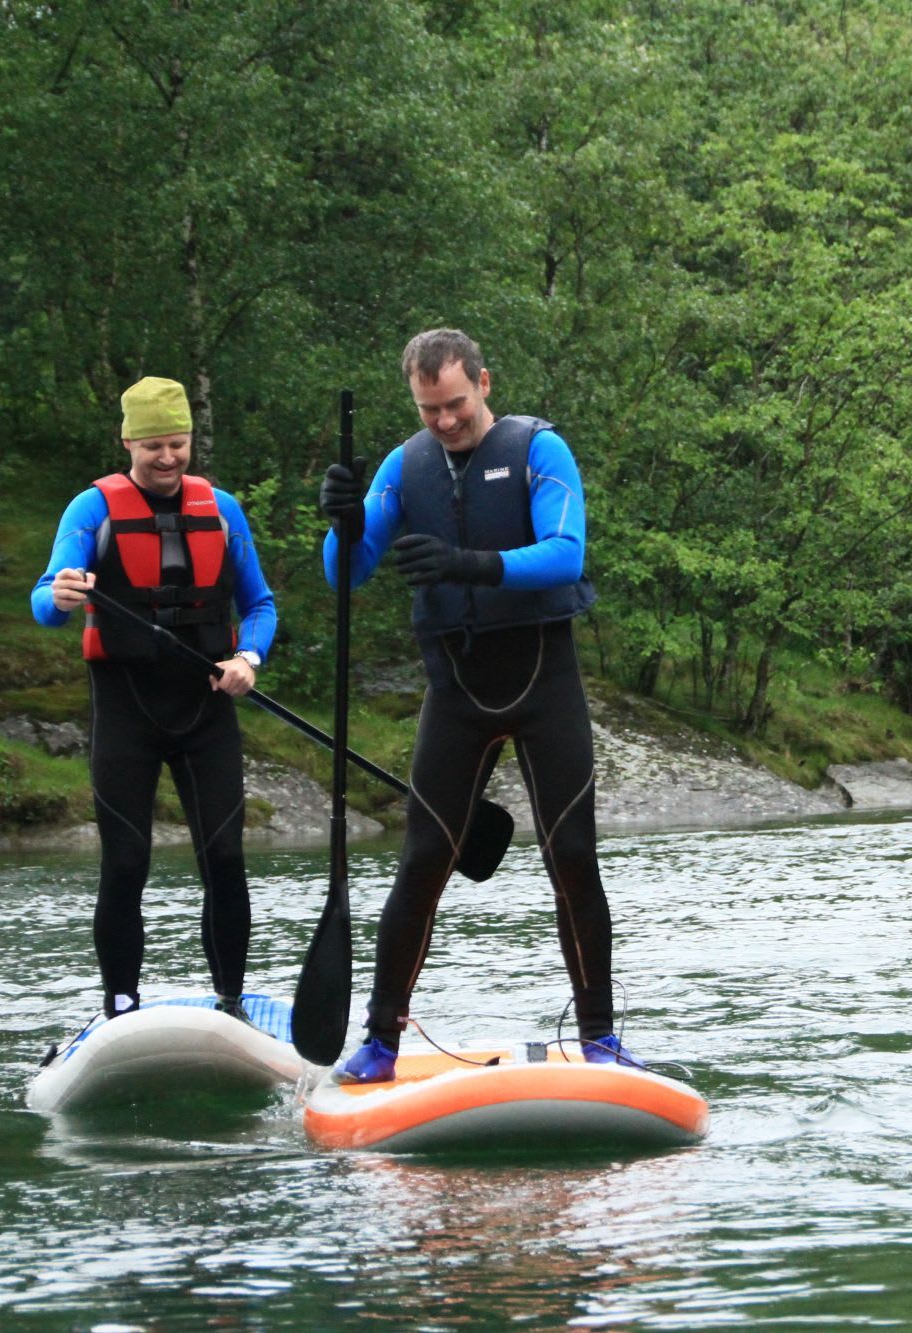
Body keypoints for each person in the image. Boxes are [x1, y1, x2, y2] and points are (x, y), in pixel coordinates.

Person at [317, 328, 636, 1082]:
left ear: (484, 383)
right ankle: (381, 1041)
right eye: (429, 409)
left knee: (574, 859)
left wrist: (469, 563)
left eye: (456, 404)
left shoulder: (538, 451)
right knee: (423, 859)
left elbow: (567, 551)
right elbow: (345, 574)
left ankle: (600, 1038)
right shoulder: (404, 466)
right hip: (456, 691)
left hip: (542, 681)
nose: (445, 422)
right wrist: (343, 520)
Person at [30, 376, 278, 1022]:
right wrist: (59, 595)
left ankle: (231, 998)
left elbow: (260, 605)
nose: (168, 459)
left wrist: (247, 657)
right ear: (127, 443)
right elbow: (46, 596)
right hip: (127, 709)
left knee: (224, 856)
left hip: (206, 706)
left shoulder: (222, 509)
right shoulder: (93, 510)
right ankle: (121, 1002)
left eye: (178, 443)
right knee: (127, 860)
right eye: (153, 447)